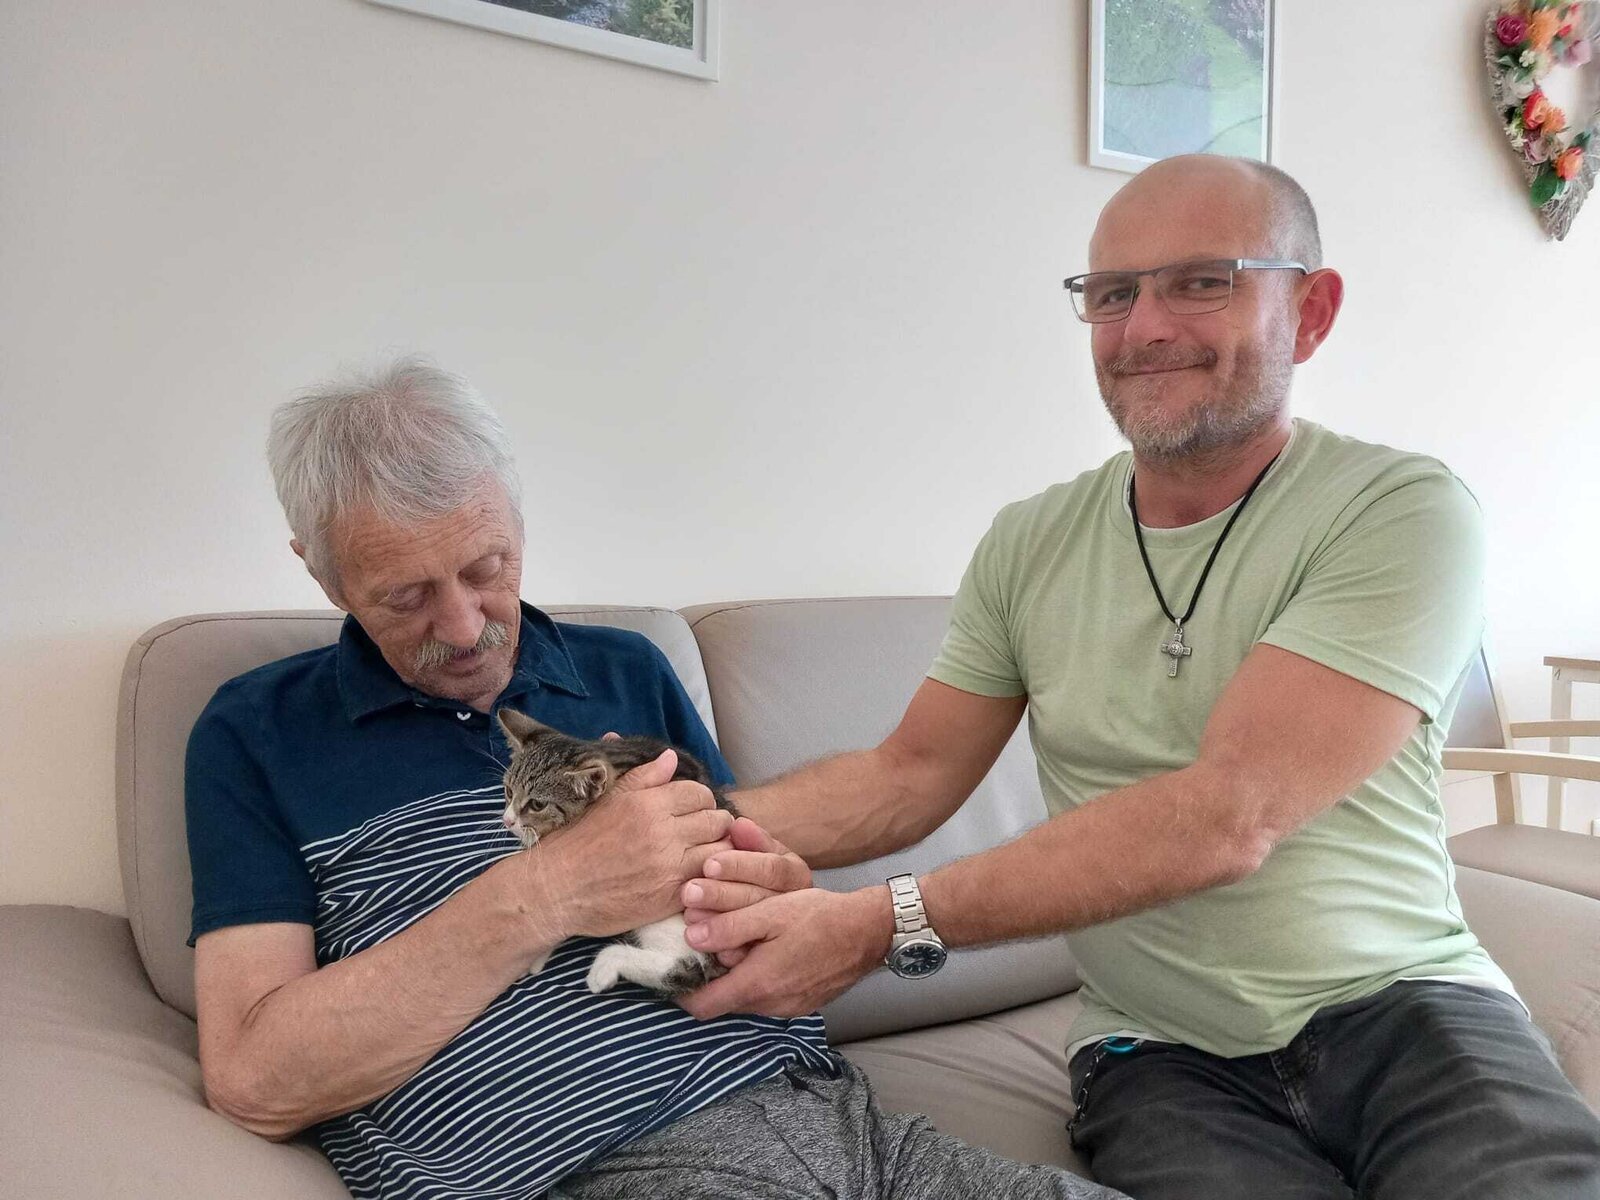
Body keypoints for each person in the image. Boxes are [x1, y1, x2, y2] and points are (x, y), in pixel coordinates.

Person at [671, 155, 1600, 1199]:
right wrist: (677, 831)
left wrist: (878, 922)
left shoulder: (1397, 510)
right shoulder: (1029, 541)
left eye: (1201, 281)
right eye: (1112, 293)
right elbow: (908, 774)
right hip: (1156, 1054)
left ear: (1310, 311)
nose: (1144, 327)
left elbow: (1230, 812)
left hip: (1405, 1005)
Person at [185, 356, 1127, 1199]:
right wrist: (550, 890)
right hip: (591, 1166)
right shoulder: (255, 732)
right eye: (406, 596)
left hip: (836, 1119)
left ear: (518, 519)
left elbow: (746, 903)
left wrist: (772, 897)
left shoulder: (627, 670)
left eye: (488, 567)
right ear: (323, 575)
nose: (467, 627)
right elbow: (257, 1080)